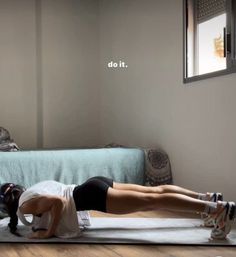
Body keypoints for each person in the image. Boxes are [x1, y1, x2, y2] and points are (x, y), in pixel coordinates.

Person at [0, 176, 235, 240]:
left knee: (155, 201)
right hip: (93, 183)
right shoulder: (32, 190)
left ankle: (217, 209)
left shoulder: (26, 205)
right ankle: (208, 198)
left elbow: (59, 203)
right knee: (155, 192)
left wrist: (49, 233)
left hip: (90, 194)